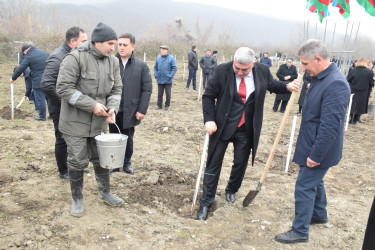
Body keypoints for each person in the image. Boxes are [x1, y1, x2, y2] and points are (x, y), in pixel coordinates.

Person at [197, 47, 300, 220]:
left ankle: (231, 189)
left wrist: (287, 86)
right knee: (213, 164)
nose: (240, 72)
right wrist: (209, 119)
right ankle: (206, 201)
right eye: (237, 68)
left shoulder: (262, 71)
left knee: (240, 163)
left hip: (247, 127)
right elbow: (208, 97)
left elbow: (273, 85)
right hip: (221, 126)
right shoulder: (222, 71)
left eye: (244, 69)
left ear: (253, 63)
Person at [275, 39, 350, 244]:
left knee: (304, 186)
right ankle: (318, 214)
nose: (303, 68)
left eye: (306, 64)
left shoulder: (335, 83)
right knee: (316, 181)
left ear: (318, 59)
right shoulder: (318, 77)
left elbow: (330, 127)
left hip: (319, 146)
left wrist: (316, 155)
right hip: (310, 139)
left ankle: (300, 230)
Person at [56, 22, 123, 217]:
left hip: (99, 123)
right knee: (77, 160)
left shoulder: (113, 62)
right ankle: (77, 198)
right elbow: (63, 88)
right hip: (74, 122)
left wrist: (113, 108)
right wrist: (91, 105)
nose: (113, 48)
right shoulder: (75, 57)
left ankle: (105, 193)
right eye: (110, 43)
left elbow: (116, 89)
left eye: (115, 43)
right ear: (97, 42)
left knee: (101, 158)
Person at [40, 27, 88, 180]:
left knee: (77, 136)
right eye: (84, 41)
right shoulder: (58, 57)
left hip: (74, 104)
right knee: (62, 138)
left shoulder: (77, 55)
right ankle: (64, 170)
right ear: (73, 42)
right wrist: (64, 102)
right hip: (60, 106)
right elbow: (47, 84)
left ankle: (77, 164)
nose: (87, 44)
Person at [108, 33, 152, 175]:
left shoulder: (141, 66)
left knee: (127, 137)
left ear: (132, 47)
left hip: (131, 109)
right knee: (114, 136)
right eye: (119, 44)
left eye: (124, 45)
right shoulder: (110, 62)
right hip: (113, 108)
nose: (121, 47)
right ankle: (114, 164)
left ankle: (126, 163)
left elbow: (147, 89)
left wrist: (142, 110)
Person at [11, 43, 49, 121]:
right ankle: (53, 114)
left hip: (38, 80)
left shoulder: (29, 56)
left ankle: (42, 116)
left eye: (24, 53)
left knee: (40, 98)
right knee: (49, 98)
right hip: (50, 78)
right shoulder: (45, 53)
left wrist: (13, 78)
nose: (24, 55)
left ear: (25, 50)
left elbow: (21, 67)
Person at [346, 58, 374, 124]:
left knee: (353, 104)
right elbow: (370, 82)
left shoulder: (353, 71)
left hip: (353, 90)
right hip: (364, 91)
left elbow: (348, 79)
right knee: (361, 105)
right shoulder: (369, 72)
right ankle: (356, 118)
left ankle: (352, 118)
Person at [154, 45, 177, 110]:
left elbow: (174, 68)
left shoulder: (171, 58)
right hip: (160, 79)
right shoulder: (158, 58)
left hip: (168, 80)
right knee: (159, 93)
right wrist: (156, 75)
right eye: (161, 50)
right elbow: (155, 67)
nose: (161, 51)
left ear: (166, 50)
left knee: (168, 94)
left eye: (163, 50)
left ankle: (167, 105)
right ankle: (159, 105)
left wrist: (170, 76)